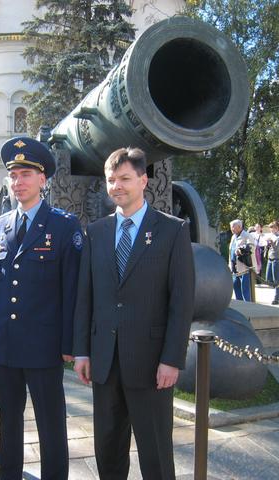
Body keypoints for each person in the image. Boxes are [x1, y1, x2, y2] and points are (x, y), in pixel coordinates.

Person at [72, 147, 194, 479]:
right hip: (104, 362)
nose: (117, 186)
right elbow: (86, 297)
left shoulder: (172, 230)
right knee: (108, 451)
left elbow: (181, 302)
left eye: (124, 178)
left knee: (155, 453)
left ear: (143, 180)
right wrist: (82, 351)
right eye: (111, 180)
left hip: (152, 364)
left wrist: (172, 358)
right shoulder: (95, 232)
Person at [0, 136, 83, 480]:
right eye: (13, 175)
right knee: (9, 421)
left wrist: (70, 345)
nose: (18, 182)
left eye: (26, 174)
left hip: (44, 346)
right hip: (6, 344)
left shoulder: (63, 225)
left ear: (43, 179)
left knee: (50, 423)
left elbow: (72, 289)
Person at [229, 219, 255, 302]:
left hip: (244, 266)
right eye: (231, 227)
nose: (231, 229)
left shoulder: (247, 235)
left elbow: (251, 247)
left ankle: (248, 305)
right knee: (236, 285)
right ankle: (239, 304)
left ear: (239, 227)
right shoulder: (233, 236)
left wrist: (241, 249)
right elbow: (231, 251)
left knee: (245, 287)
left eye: (233, 227)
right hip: (234, 266)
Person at [266, 221, 279, 305]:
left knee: (276, 280)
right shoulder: (271, 236)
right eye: (270, 228)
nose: (271, 230)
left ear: (277, 228)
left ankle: (276, 298)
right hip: (270, 259)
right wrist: (267, 244)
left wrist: (272, 243)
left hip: (276, 260)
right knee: (268, 279)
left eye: (272, 228)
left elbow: (277, 249)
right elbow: (269, 248)